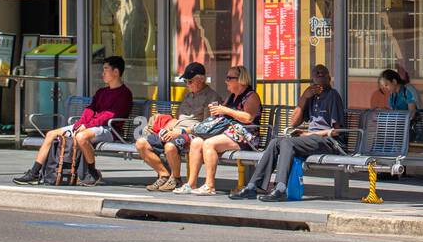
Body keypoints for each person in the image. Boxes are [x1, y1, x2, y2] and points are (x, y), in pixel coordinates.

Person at [229, 64, 345, 202]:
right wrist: (304, 97)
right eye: (316, 74)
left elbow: (336, 132)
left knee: (287, 142)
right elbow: (293, 122)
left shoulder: (333, 95)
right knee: (275, 142)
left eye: (323, 74)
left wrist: (307, 134)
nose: (319, 76)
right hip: (312, 141)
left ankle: (280, 188)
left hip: (330, 143)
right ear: (312, 79)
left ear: (329, 78)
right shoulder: (312, 97)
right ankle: (253, 186)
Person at [13, 56, 132, 187]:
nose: (102, 73)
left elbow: (109, 115)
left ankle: (93, 173)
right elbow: (90, 110)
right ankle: (34, 173)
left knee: (81, 137)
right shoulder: (101, 92)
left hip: (110, 130)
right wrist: (80, 124)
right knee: (51, 134)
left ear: (116, 72)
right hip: (91, 127)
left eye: (105, 69)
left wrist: (86, 126)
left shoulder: (124, 94)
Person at [135, 61, 221, 192]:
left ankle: (175, 178)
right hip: (176, 131)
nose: (187, 85)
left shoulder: (212, 97)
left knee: (170, 147)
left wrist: (180, 131)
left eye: (190, 81)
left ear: (201, 79)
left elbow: (207, 126)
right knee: (141, 143)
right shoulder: (187, 95)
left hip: (192, 134)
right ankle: (164, 175)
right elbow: (179, 118)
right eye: (185, 81)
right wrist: (168, 127)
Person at [181, 65, 261, 195]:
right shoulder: (232, 96)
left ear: (240, 80)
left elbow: (248, 117)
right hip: (229, 132)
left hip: (246, 135)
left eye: (230, 78)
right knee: (196, 142)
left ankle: (209, 186)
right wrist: (217, 112)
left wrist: (225, 110)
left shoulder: (251, 96)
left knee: (209, 143)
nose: (226, 81)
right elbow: (223, 115)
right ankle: (191, 184)